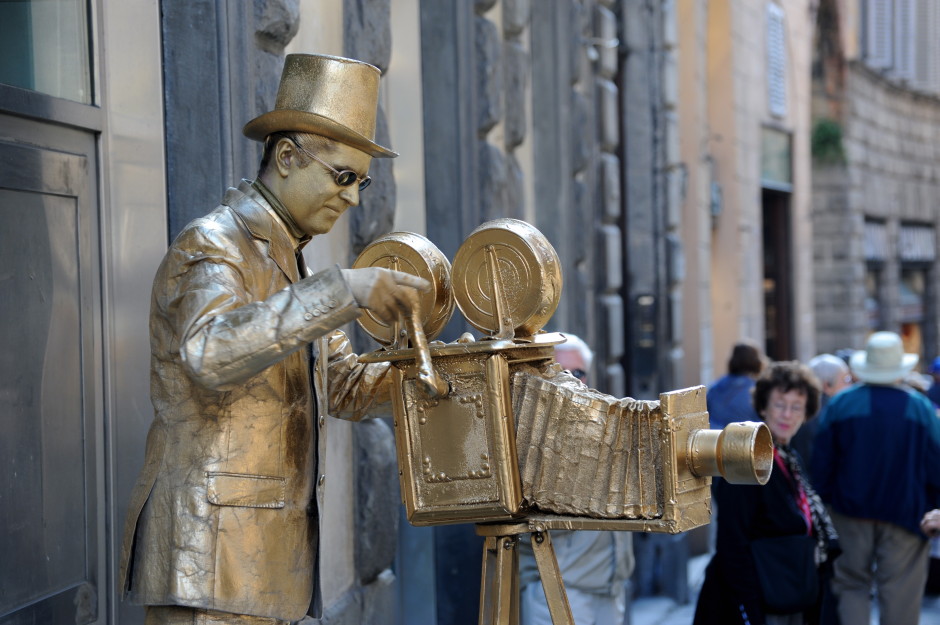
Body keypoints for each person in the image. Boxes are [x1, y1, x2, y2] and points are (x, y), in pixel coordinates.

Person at [119, 54, 431, 625]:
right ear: (287, 157)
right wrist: (343, 291)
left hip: (265, 570)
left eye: (361, 182)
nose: (353, 198)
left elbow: (344, 386)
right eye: (343, 177)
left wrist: (446, 368)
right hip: (209, 567)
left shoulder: (295, 263)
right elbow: (211, 353)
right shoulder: (213, 243)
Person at [694, 361, 841, 625]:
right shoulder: (747, 459)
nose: (787, 415)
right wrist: (750, 611)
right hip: (754, 600)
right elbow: (731, 542)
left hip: (785, 593)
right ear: (763, 407)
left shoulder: (788, 455)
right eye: (779, 405)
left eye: (796, 407)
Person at [812, 331, 940, 625]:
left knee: (850, 584)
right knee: (901, 591)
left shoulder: (841, 404)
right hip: (906, 513)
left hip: (849, 511)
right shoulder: (919, 407)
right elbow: (935, 464)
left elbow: (822, 463)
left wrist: (825, 504)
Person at [518, 334, 634, 625]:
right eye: (560, 371)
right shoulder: (528, 431)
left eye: (578, 372)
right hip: (559, 590)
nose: (570, 379)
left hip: (610, 588)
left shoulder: (604, 422)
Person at [790, 354, 851, 469]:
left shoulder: (807, 407)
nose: (850, 385)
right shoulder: (825, 413)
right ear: (827, 386)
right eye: (846, 379)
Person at [706, 341, 766, 430]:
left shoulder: (715, 387)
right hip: (745, 437)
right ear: (757, 362)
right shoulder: (758, 390)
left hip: (716, 436)